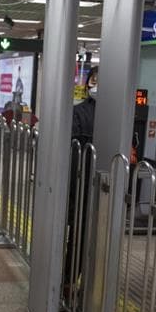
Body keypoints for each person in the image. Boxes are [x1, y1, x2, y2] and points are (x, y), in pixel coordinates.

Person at [63, 66, 98, 295]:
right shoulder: (79, 112)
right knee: (78, 236)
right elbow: (73, 152)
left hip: (107, 188)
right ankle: (67, 281)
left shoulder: (120, 113)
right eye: (94, 79)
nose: (97, 84)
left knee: (101, 239)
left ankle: (95, 285)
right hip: (83, 186)